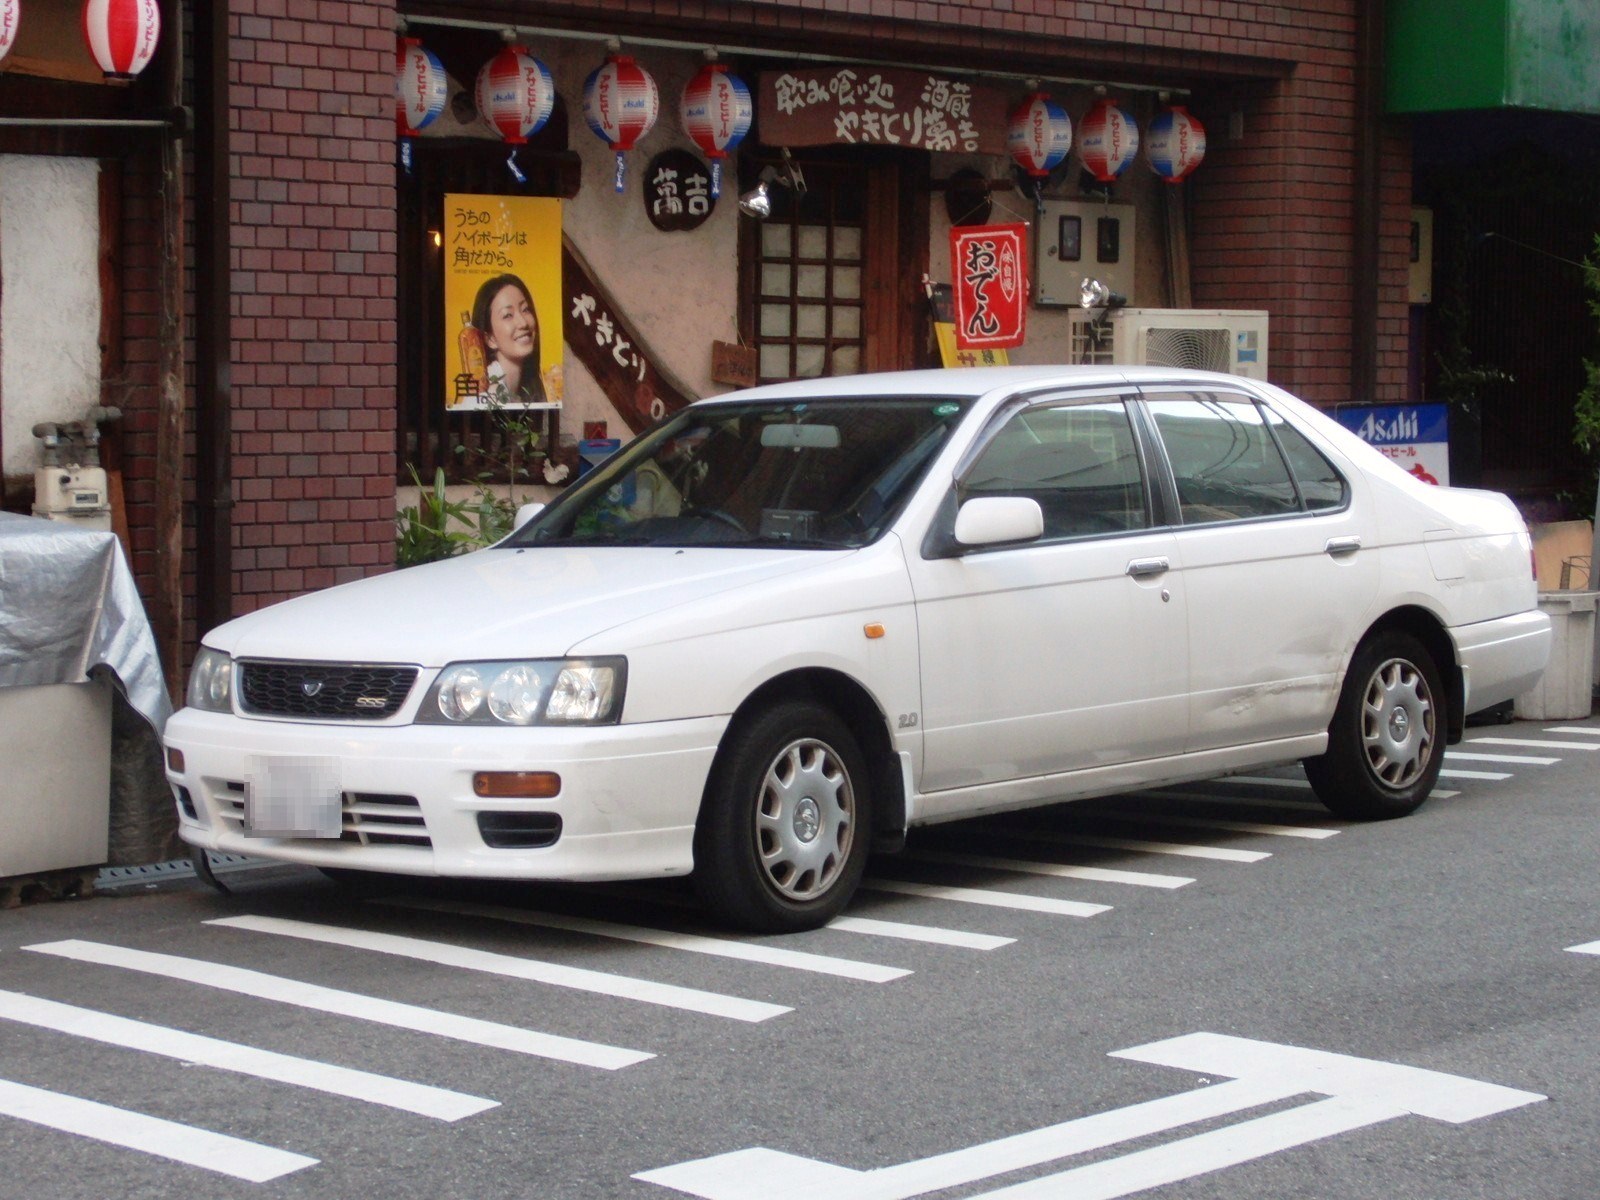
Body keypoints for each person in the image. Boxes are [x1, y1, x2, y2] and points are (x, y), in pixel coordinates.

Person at [471, 273, 546, 405]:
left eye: (525, 309)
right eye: (507, 315)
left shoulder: (523, 389)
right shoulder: (489, 394)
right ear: (490, 339)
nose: (523, 323)